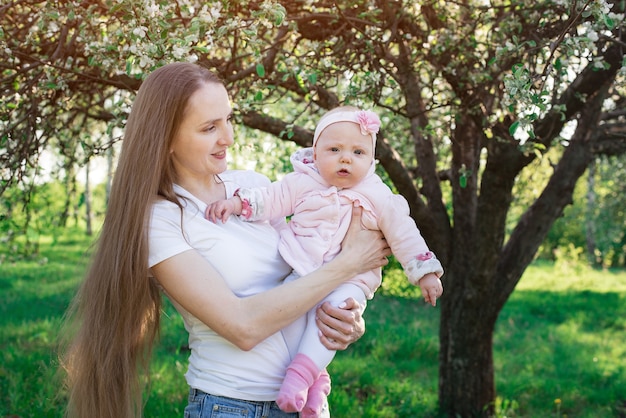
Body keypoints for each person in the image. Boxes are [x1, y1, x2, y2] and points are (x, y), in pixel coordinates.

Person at [60, 63, 392, 418]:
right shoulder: (159, 219)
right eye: (209, 128)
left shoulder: (253, 186)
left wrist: (345, 317)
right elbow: (242, 327)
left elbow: (309, 262)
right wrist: (349, 265)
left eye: (228, 120)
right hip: (231, 406)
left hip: (307, 402)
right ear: (166, 138)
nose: (228, 138)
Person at [205, 106, 444, 417]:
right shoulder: (302, 182)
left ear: (371, 160)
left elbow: (404, 233)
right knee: (287, 324)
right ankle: (315, 382)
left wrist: (424, 272)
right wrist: (236, 203)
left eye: (358, 152)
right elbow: (270, 198)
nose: (346, 158)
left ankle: (301, 377)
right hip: (303, 271)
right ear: (315, 153)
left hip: (352, 281)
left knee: (333, 320)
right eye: (334, 149)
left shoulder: (378, 194)